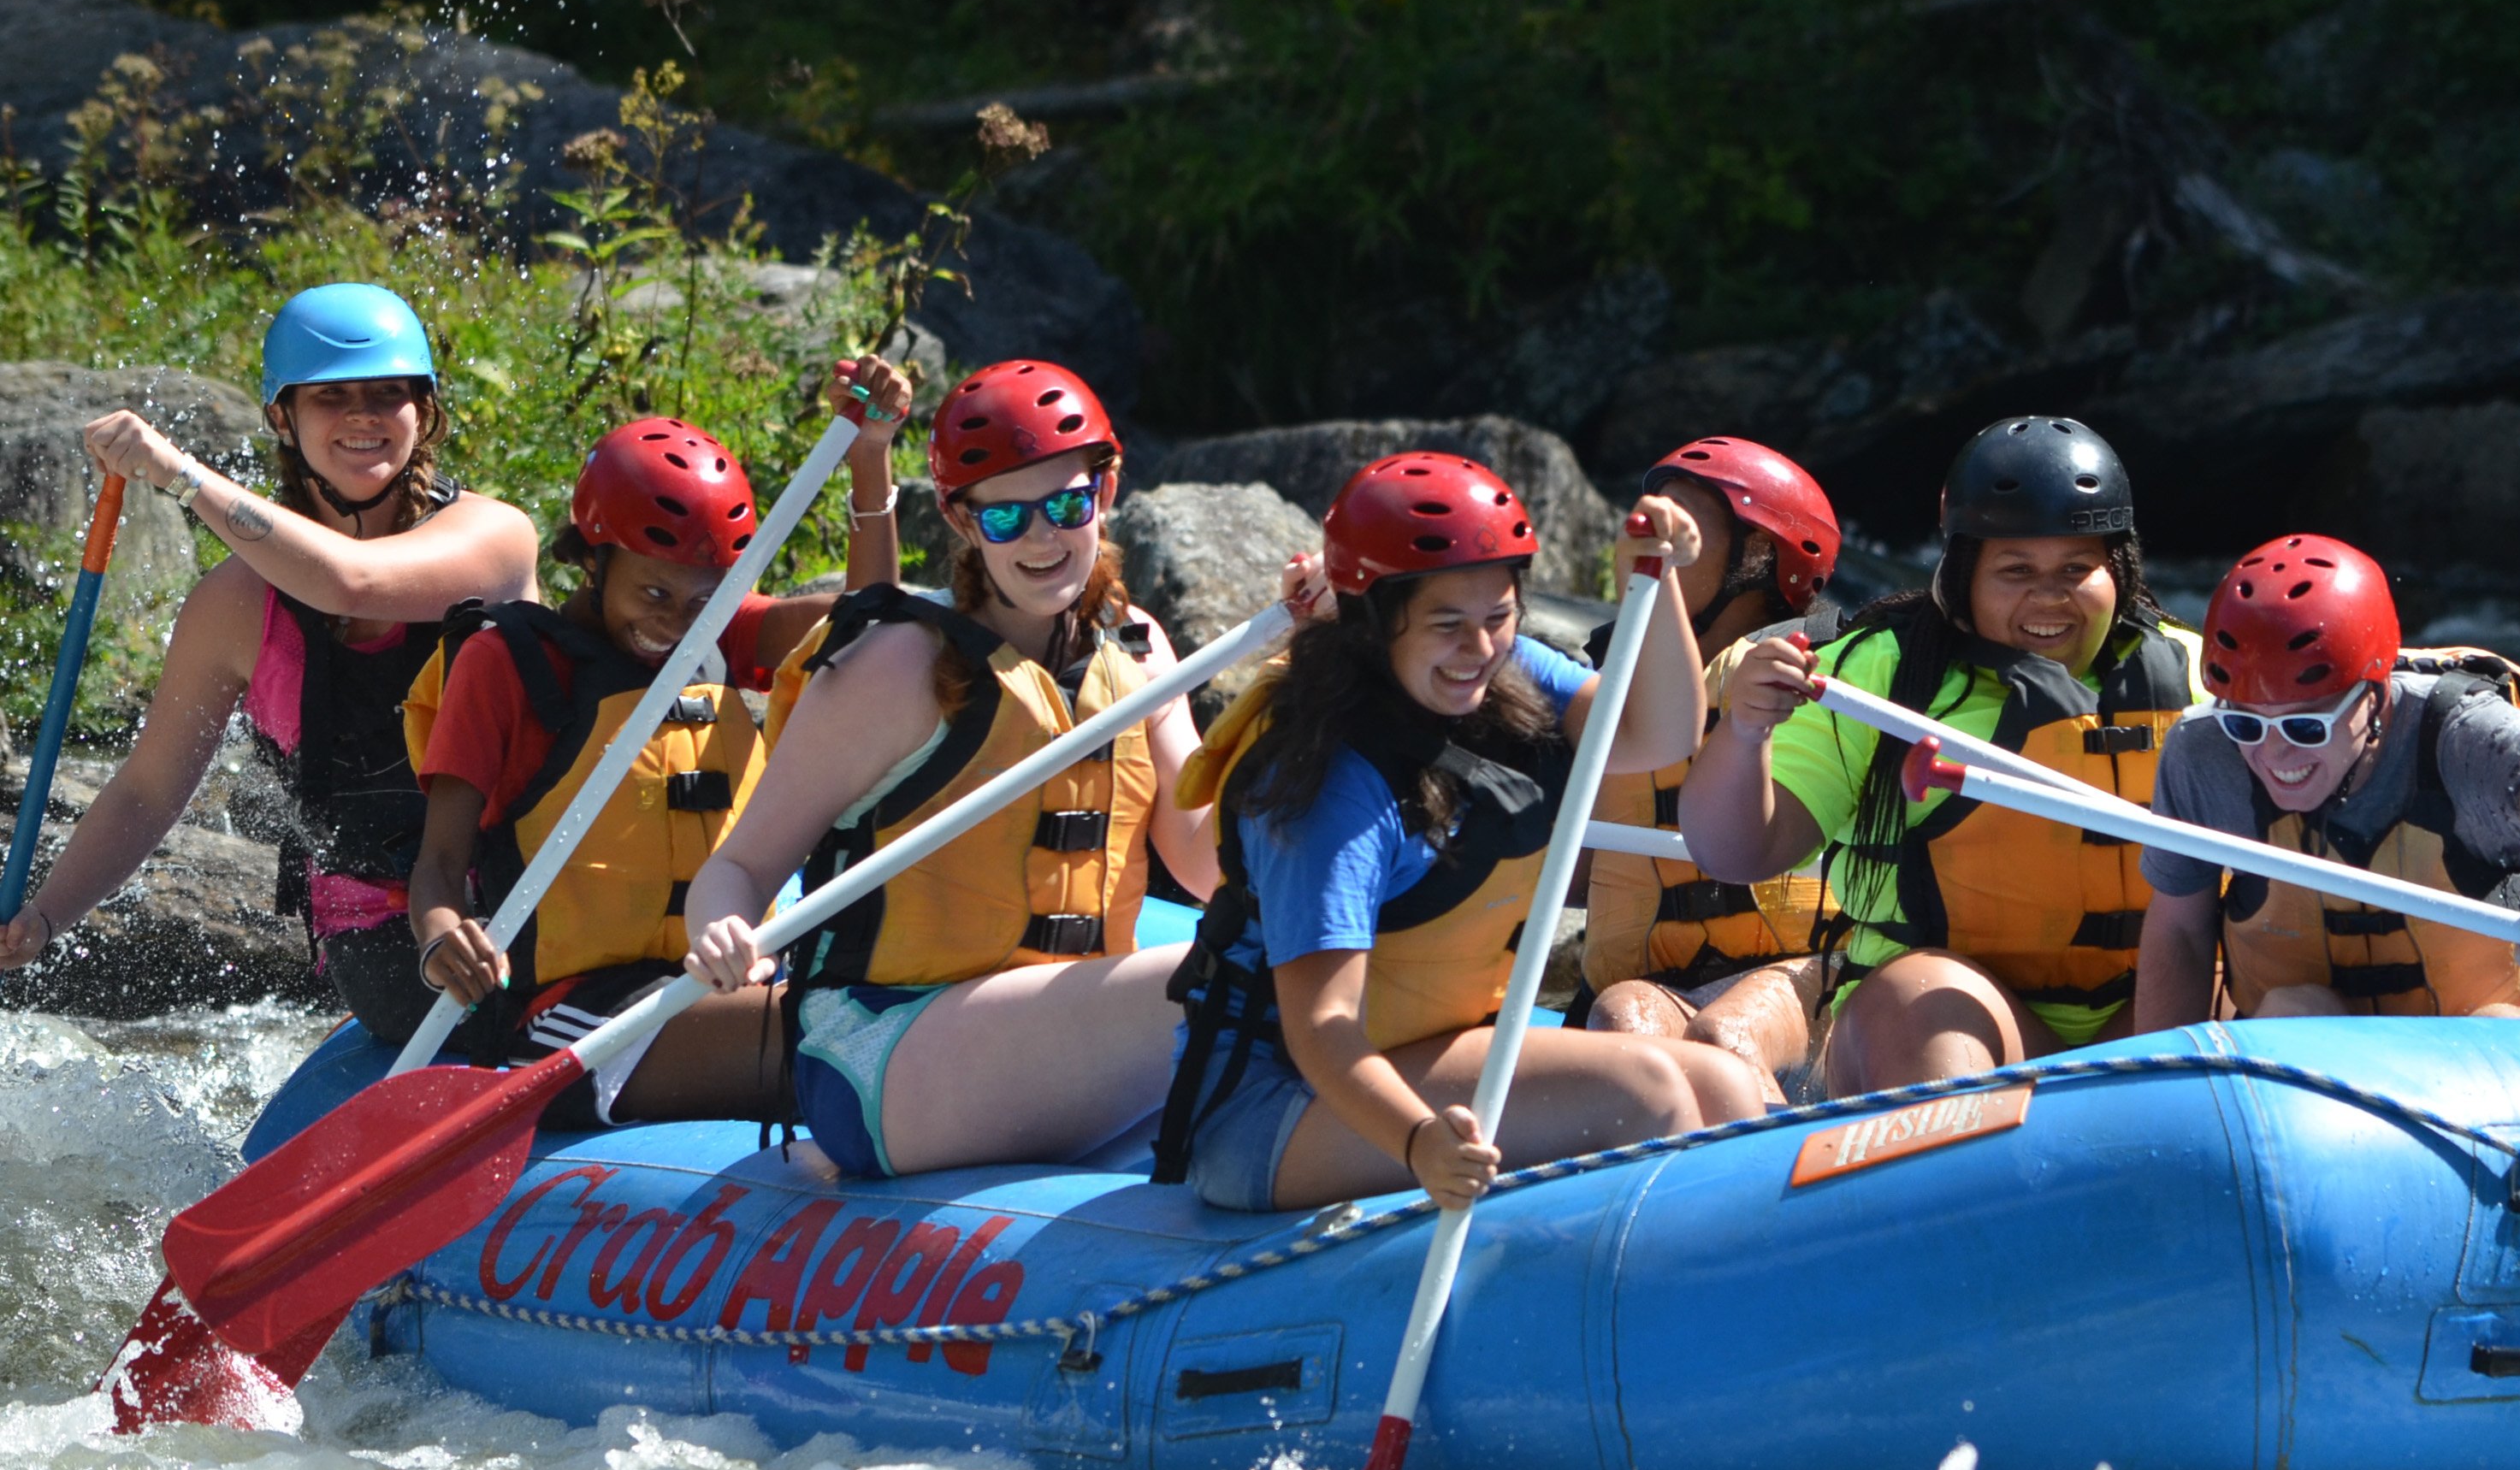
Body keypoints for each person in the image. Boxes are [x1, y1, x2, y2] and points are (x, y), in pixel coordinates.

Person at [1151, 452, 1772, 1213]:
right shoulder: (1327, 790)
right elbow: (1322, 1030)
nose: (1478, 650)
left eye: (1498, 617)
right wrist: (1419, 1142)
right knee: (1648, 1095)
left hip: (1423, 1055)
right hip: (1276, 1112)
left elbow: (1659, 734)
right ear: (1375, 621)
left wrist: (1653, 578)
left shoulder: (1507, 669)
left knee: (1725, 1083)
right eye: (1447, 625)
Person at [677, 360, 1214, 1178]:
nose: (1042, 538)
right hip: (887, 1056)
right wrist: (722, 926)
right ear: (961, 522)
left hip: (1066, 1055)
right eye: (1006, 517)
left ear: (1105, 495)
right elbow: (743, 867)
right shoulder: (900, 665)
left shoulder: (1139, 651)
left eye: (1067, 505)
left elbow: (1211, 862)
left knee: (1299, 957)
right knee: (1224, 969)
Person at [0, 283, 540, 1035]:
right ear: (283, 418)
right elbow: (149, 792)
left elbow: (355, 580)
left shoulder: (495, 538)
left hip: (534, 894)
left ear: (427, 411)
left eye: (389, 394)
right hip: (380, 943)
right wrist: (46, 915)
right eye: (331, 397)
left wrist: (181, 475)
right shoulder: (234, 605)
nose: (363, 415)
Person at [405, 367, 911, 1127]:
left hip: (725, 978)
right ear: (592, 558)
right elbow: (439, 865)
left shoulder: (720, 635)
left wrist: (870, 456)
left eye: (703, 599)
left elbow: (874, 630)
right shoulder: (507, 664)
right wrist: (444, 938)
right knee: (852, 1043)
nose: (677, 625)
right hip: (568, 1018)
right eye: (653, 594)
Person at [1683, 416, 2204, 1092]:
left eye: (2077, 569)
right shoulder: (1875, 678)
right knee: (1922, 1001)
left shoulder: (2199, 678)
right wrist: (1747, 730)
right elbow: (1737, 853)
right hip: (1954, 1007)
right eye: (2016, 570)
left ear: (2121, 570)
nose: (2049, 597)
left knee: (2248, 983)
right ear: (1963, 574)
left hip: (2147, 1011)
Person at [2130, 535, 2520, 1031]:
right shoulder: (2203, 751)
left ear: (2374, 698)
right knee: (2295, 1008)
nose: (2273, 753)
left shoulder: (2467, 737)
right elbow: (2179, 929)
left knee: (2497, 1025)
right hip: (2308, 1064)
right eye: (2247, 723)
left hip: (2485, 1047)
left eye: (2305, 727)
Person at [1582, 437, 1842, 1092]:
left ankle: (1769, 1182)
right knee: (1621, 1018)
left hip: (1811, 971)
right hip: (1657, 979)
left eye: (1684, 528)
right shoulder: (1599, 686)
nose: (1656, 536)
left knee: (1727, 1035)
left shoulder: (1837, 673)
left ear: (1759, 558)